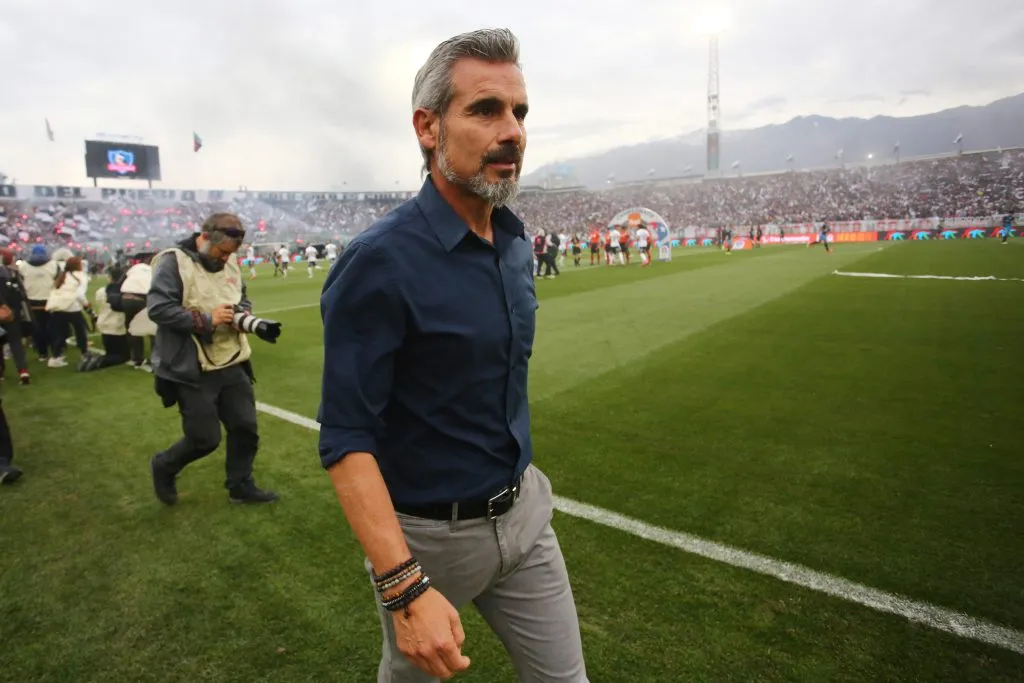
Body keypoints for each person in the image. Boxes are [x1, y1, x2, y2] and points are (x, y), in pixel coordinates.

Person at [318, 28, 587, 683]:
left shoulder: (516, 243)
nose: (513, 131)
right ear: (428, 127)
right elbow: (346, 437)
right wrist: (406, 587)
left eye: (520, 113)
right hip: (429, 541)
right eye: (485, 109)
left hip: (524, 514)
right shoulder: (379, 263)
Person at [147, 214, 282, 506]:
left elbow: (241, 297)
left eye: (230, 254)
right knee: (203, 439)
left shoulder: (230, 260)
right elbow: (158, 309)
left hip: (232, 359)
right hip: (191, 365)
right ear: (205, 237)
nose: (225, 259)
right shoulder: (173, 262)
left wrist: (240, 315)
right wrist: (206, 320)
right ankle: (164, 465)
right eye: (222, 252)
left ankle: (240, 485)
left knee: (246, 429)